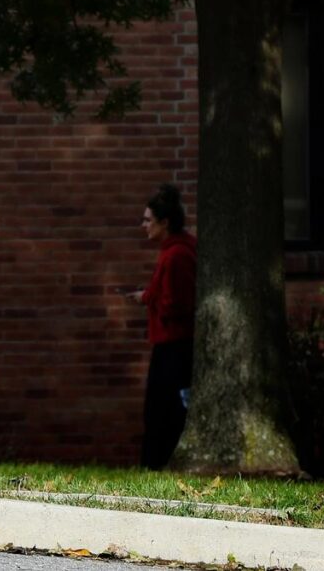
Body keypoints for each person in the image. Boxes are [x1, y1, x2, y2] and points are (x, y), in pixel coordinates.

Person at [134, 184, 197, 470]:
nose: (143, 225)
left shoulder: (176, 256)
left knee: (162, 411)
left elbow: (176, 303)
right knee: (163, 409)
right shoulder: (176, 252)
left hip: (173, 344)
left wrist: (151, 300)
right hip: (172, 342)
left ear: (165, 222)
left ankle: (157, 463)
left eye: (149, 220)